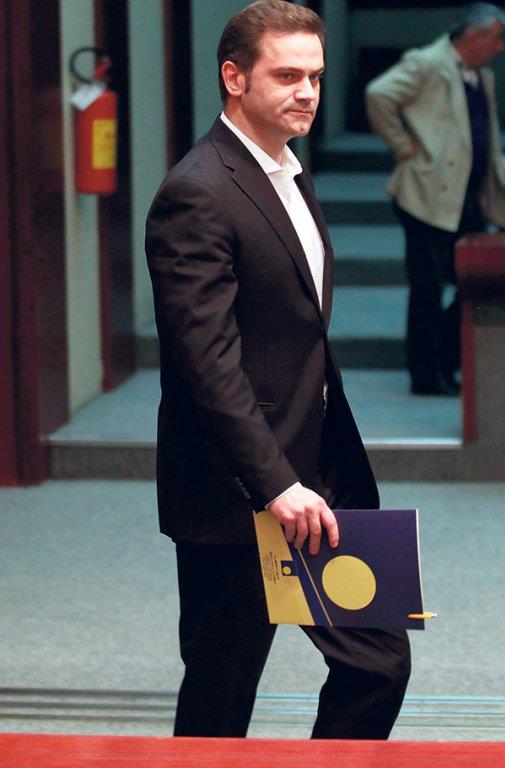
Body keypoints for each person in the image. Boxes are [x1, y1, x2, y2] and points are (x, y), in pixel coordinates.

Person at [146, 0, 410, 740]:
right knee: (220, 692)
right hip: (240, 487)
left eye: (316, 77)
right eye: (287, 75)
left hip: (317, 468)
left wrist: (304, 472)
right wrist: (274, 484)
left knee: (377, 663)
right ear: (234, 78)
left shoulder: (289, 171)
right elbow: (206, 364)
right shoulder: (197, 191)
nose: (307, 92)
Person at [366, 3, 505, 395]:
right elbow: (379, 94)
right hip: (426, 197)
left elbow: (486, 133)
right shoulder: (428, 63)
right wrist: (403, 146)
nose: (500, 46)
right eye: (495, 38)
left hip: (467, 196)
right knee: (428, 288)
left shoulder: (482, 73)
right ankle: (426, 375)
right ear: (475, 36)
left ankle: (449, 360)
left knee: (473, 283)